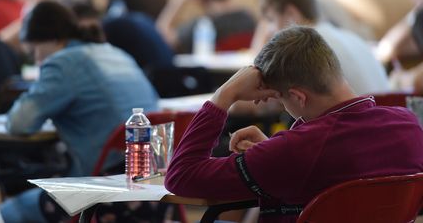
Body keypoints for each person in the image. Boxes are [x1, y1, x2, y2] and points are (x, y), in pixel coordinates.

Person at [165, 26, 423, 223]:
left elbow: (181, 176)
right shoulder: (409, 125)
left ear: (298, 96)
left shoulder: (296, 151)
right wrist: (273, 151)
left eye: (279, 99)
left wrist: (224, 95)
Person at [0, 0, 159, 223]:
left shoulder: (63, 63)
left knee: (6, 212)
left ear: (53, 38)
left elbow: (19, 122)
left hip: (104, 194)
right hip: (155, 188)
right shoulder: (114, 52)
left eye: (34, 51)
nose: (36, 60)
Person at [258, 0, 390, 96]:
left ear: (291, 13)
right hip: (383, 117)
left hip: (355, 121)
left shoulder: (304, 48)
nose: (270, 30)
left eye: (271, 20)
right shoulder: (350, 36)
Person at [157, 0, 256, 53]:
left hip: (211, 79)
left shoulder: (202, 25)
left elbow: (161, 38)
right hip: (243, 77)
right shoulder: (248, 16)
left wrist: (178, 0)